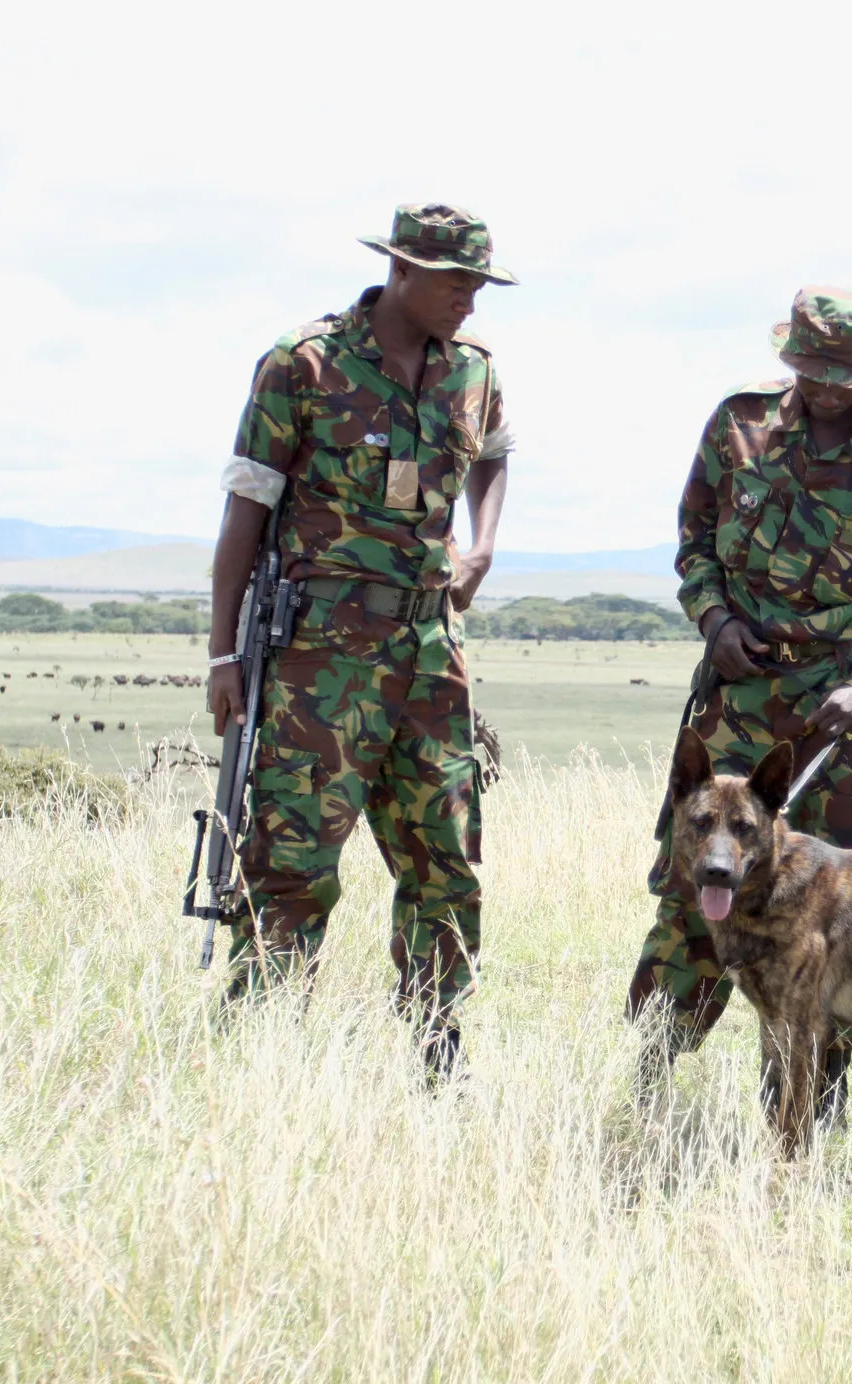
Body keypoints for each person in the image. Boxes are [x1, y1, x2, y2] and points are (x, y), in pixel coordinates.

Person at [626, 285, 852, 1123]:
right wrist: (712, 621)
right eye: (811, 370)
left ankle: (817, 1103)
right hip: (738, 704)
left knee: (847, 908)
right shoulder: (737, 428)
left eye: (841, 374)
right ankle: (650, 1076)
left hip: (842, 717)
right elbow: (694, 545)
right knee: (701, 886)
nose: (824, 387)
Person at [207, 203, 515, 1079]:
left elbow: (495, 451)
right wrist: (223, 655)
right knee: (293, 862)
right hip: (320, 659)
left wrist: (482, 544)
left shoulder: (475, 371)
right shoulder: (302, 364)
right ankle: (258, 1058)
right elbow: (245, 510)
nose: (470, 300)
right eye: (456, 282)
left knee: (445, 863)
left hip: (430, 654)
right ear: (401, 271)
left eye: (479, 284)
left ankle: (437, 1053)